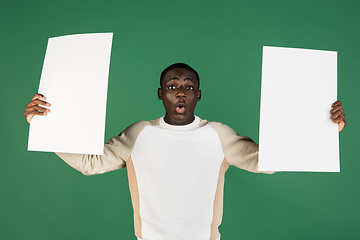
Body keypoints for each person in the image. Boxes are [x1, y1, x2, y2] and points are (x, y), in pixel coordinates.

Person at [24, 63, 346, 240]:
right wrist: (41, 126)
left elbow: (269, 161)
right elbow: (90, 163)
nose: (181, 91)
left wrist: (326, 129)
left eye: (189, 86)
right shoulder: (139, 134)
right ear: (161, 94)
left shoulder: (219, 135)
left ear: (198, 95)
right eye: (174, 85)